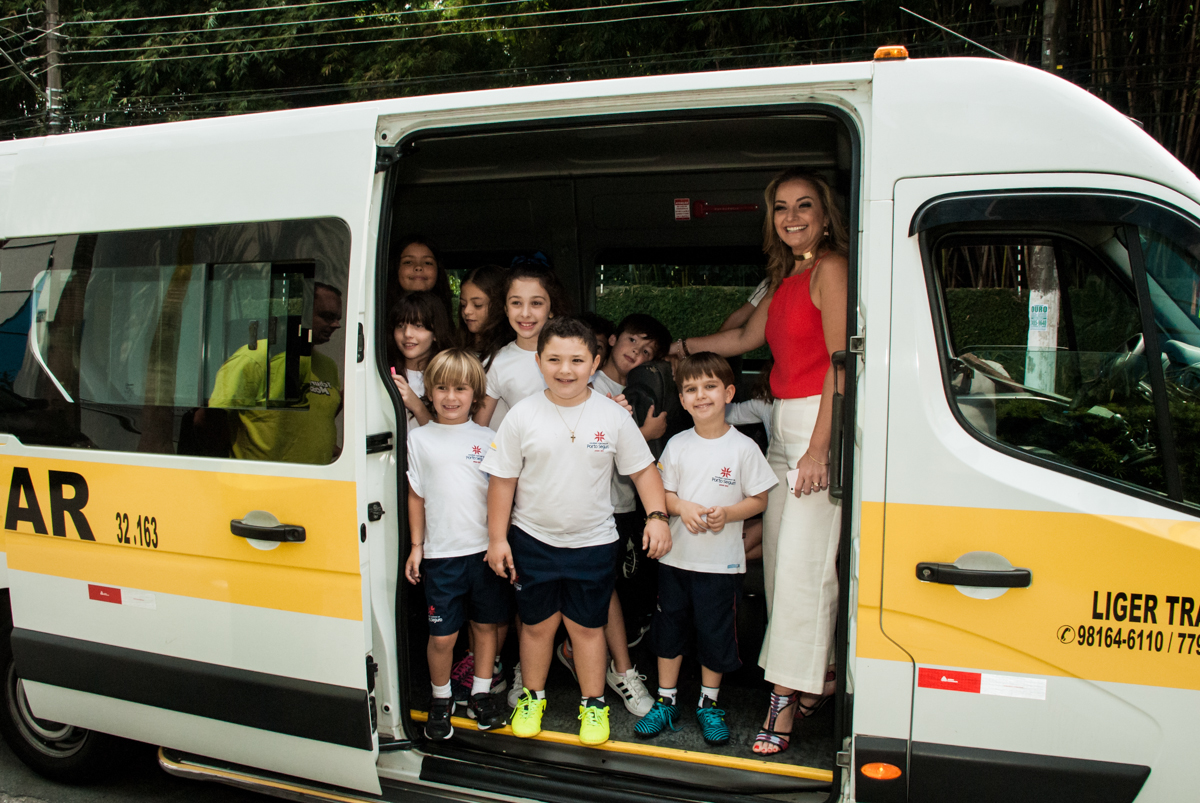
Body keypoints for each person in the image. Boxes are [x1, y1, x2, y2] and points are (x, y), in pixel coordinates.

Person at [667, 168, 848, 756]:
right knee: (776, 572)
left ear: (825, 215)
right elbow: (744, 340)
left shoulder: (831, 269)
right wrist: (681, 348)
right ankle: (816, 674)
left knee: (802, 569)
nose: (792, 217)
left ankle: (783, 699)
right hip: (783, 425)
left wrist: (819, 449)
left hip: (817, 424)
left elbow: (842, 365)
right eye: (781, 208)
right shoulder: (786, 275)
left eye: (804, 205)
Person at [481, 316, 671, 747]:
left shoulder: (612, 415)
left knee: (588, 628)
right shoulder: (522, 415)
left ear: (595, 363)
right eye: (554, 360)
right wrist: (497, 539)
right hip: (532, 541)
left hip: (593, 543)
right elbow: (502, 481)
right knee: (537, 626)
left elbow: (643, 471)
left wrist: (658, 517)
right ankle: (532, 697)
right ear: (538, 362)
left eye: (577, 360)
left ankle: (594, 704)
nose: (565, 369)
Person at [634, 353, 775, 746]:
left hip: (721, 565)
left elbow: (759, 499)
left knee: (715, 634)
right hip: (675, 560)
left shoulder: (744, 447)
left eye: (710, 386)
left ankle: (709, 704)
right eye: (691, 389)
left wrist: (727, 514)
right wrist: (682, 508)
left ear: (728, 393)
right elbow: (664, 493)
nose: (701, 395)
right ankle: (665, 701)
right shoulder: (677, 444)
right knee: (669, 630)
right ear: (681, 399)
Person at [558, 313, 673, 719]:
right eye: (632, 341)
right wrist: (645, 433)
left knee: (611, 588)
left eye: (647, 351)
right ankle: (578, 661)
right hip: (580, 507)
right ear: (610, 340)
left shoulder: (641, 390)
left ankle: (608, 664)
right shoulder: (584, 384)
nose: (636, 352)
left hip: (620, 507)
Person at [406, 349, 509, 739]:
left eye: (461, 389)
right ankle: (441, 697)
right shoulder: (419, 439)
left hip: (483, 553)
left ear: (475, 395)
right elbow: (416, 495)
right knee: (443, 636)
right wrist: (417, 546)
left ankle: (481, 693)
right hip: (441, 557)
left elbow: (501, 495)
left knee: (485, 627)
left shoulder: (489, 439)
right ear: (429, 392)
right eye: (442, 388)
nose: (451, 397)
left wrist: (500, 542)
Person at [206, 282, 344, 464]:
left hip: (317, 477)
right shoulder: (254, 358)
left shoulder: (328, 366)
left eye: (338, 318)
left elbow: (316, 420)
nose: (336, 325)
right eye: (327, 316)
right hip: (261, 478)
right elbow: (207, 422)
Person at [474, 263, 572, 429]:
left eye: (536, 303)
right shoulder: (496, 363)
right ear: (506, 308)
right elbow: (479, 429)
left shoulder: (575, 354)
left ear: (551, 309)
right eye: (516, 303)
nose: (525, 313)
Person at [388, 292, 456, 428]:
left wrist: (417, 406)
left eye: (418, 325)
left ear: (436, 333)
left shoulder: (451, 377)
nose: (407, 334)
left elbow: (447, 436)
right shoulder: (381, 372)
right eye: (400, 325)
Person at [389, 235, 454, 320]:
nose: (418, 267)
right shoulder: (376, 312)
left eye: (427, 263)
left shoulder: (445, 316)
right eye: (408, 262)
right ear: (396, 268)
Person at [459, 264, 509, 354]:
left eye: (477, 305)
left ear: (500, 306)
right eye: (463, 304)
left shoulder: (507, 353)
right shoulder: (457, 344)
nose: (466, 311)